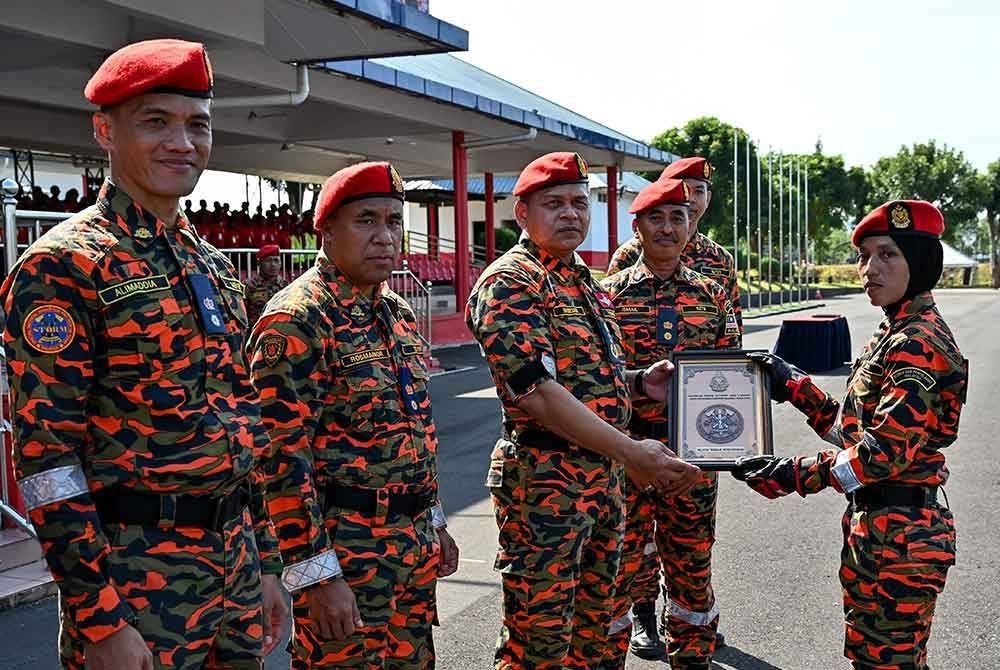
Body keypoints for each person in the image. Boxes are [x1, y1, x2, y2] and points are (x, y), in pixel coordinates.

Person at [0, 39, 288, 670]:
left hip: (235, 570)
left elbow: (242, 423)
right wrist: (98, 617)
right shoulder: (64, 265)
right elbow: (47, 460)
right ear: (105, 131)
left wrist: (267, 562)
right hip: (136, 581)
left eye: (197, 125)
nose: (181, 143)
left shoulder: (211, 265)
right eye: (155, 122)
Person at [466, 151, 701, 670]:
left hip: (602, 482)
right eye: (554, 204)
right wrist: (631, 452)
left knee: (595, 637)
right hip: (546, 486)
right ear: (522, 213)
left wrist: (638, 383)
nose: (570, 213)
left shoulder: (583, 281)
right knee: (540, 642)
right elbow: (537, 393)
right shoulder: (512, 282)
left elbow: (585, 376)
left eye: (579, 202)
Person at [732, 200, 967, 670]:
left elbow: (881, 454)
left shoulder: (917, 343)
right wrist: (793, 385)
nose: (869, 268)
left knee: (886, 662)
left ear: (920, 262)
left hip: (900, 538)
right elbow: (853, 432)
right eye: (863, 256)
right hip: (883, 530)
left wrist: (792, 474)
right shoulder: (895, 330)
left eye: (887, 254)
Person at [247, 161, 459, 669]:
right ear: (326, 230)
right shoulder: (298, 319)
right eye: (366, 220)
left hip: (411, 548)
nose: (385, 236)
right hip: (348, 554)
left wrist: (434, 519)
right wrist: (317, 576)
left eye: (393, 221)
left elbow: (415, 433)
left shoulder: (395, 312)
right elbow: (279, 462)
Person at [601, 178, 740, 669]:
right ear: (636, 227)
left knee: (692, 568)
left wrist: (717, 455)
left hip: (692, 461)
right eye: (655, 218)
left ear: (690, 225)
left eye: (677, 217)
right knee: (619, 570)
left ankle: (693, 657)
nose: (667, 228)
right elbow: (594, 382)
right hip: (625, 458)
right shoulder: (606, 297)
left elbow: (732, 379)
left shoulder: (713, 295)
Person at [607, 157, 742, 333]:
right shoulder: (629, 254)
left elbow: (732, 329)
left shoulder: (721, 259)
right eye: (683, 189)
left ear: (708, 198)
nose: (691, 199)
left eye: (698, 192)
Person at [245, 244, 288, 325]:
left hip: (278, 328)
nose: (273, 264)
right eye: (268, 261)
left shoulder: (286, 286)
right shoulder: (249, 285)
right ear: (259, 263)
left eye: (276, 260)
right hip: (256, 329)